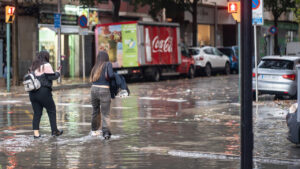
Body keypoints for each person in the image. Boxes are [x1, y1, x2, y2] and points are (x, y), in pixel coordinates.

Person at [29, 51, 63, 139]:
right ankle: (54, 131)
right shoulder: (46, 65)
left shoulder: (33, 66)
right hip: (43, 91)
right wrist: (58, 72)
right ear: (46, 57)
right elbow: (52, 77)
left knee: (37, 113)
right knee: (51, 110)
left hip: (32, 93)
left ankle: (36, 134)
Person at [90, 51, 115, 140]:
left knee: (95, 111)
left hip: (93, 90)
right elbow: (111, 75)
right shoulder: (108, 64)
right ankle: (106, 133)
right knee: (105, 113)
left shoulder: (95, 66)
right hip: (104, 89)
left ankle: (94, 131)